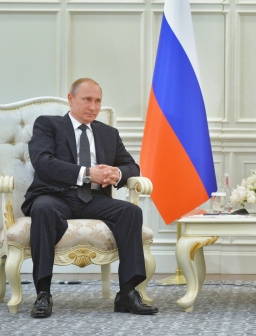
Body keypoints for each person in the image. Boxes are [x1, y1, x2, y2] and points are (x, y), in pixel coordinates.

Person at [23, 78, 158, 318]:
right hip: (55, 196)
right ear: (71, 98)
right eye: (87, 99)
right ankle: (43, 294)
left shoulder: (108, 133)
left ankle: (127, 294)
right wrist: (86, 174)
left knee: (131, 212)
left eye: (97, 101)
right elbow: (43, 163)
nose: (93, 107)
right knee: (43, 210)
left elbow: (132, 167)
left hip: (94, 199)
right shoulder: (48, 125)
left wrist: (117, 173)